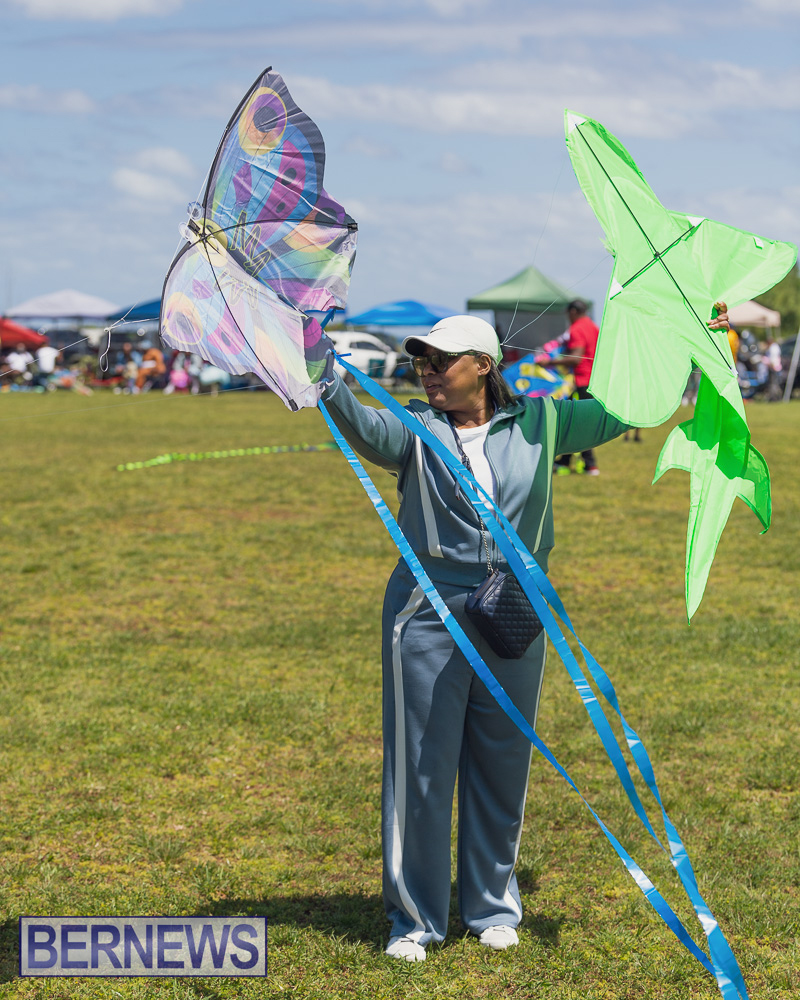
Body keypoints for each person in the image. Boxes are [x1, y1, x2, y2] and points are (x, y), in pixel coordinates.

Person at [320, 314, 637, 962]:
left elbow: (628, 408)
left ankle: (492, 905)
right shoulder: (412, 426)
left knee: (503, 758)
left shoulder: (545, 423)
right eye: (422, 362)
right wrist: (316, 367)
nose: (429, 372)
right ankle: (413, 920)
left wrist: (699, 344)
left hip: (515, 607)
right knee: (421, 767)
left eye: (442, 360)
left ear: (485, 366)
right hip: (428, 610)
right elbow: (354, 417)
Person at [539, 300, 601, 475]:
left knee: (575, 423)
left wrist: (549, 362)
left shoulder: (577, 329)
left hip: (581, 381)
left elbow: (576, 358)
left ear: (573, 312)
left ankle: (590, 464)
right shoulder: (592, 326)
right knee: (574, 422)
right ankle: (566, 462)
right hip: (592, 381)